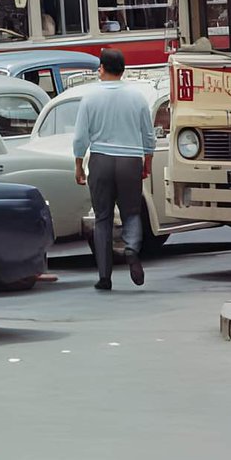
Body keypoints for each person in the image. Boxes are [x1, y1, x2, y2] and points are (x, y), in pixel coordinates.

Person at [72, 48, 156, 292]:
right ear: (123, 70)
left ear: (102, 68)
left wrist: (79, 165)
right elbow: (148, 135)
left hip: (101, 160)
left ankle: (104, 276)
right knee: (131, 213)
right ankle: (131, 249)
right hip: (130, 160)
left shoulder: (90, 97)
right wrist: (147, 162)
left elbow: (80, 138)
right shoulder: (137, 97)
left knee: (103, 218)